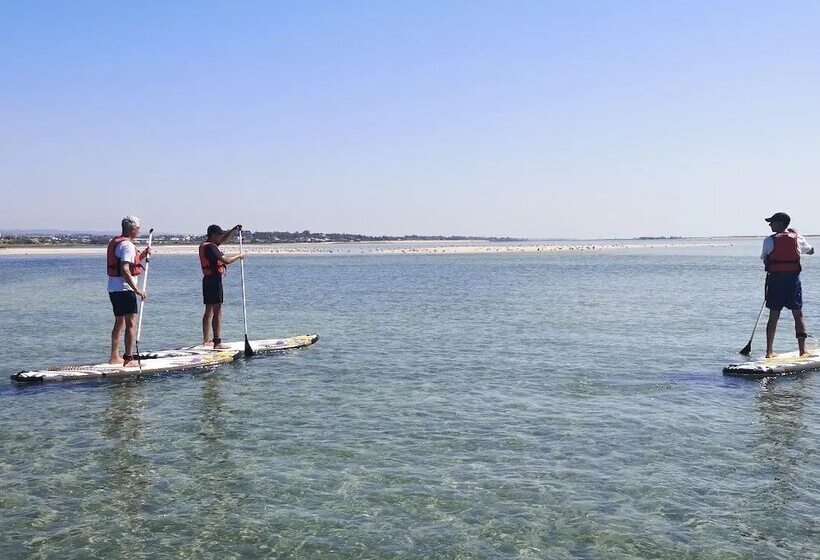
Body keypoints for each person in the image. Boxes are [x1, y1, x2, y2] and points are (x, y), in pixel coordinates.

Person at [761, 212, 815, 357]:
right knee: (798, 315)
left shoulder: (769, 240)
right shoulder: (798, 238)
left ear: (781, 223)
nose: (770, 224)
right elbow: (811, 251)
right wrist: (798, 235)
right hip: (792, 282)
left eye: (772, 222)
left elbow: (765, 260)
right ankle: (802, 351)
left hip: (775, 281)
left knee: (773, 316)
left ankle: (769, 352)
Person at [107, 215, 151, 365]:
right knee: (131, 322)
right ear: (133, 229)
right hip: (125, 289)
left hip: (113, 288)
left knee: (119, 322)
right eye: (138, 229)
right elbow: (125, 268)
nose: (139, 231)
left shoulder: (117, 242)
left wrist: (143, 254)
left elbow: (131, 261)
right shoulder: (127, 245)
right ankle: (128, 359)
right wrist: (137, 289)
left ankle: (114, 357)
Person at [199, 224, 245, 348]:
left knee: (208, 310)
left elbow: (224, 239)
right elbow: (226, 261)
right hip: (214, 281)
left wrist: (234, 230)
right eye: (219, 235)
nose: (221, 237)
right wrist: (239, 256)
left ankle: (206, 340)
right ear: (213, 235)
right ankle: (217, 343)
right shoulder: (211, 248)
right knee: (217, 311)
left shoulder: (205, 245)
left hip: (207, 280)